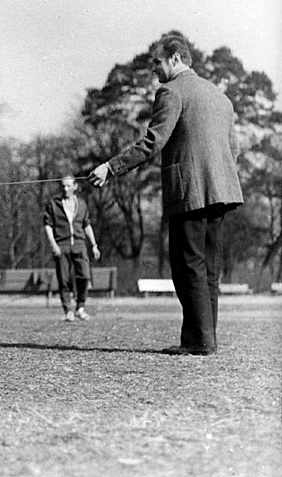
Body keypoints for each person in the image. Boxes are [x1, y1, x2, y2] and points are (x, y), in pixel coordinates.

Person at [89, 34, 243, 355]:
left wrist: (110, 167)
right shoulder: (220, 97)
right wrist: (217, 175)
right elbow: (235, 149)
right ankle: (206, 339)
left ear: (175, 58)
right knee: (208, 268)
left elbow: (152, 143)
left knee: (188, 267)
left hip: (190, 192)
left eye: (157, 63)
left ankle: (198, 341)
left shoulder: (171, 91)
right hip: (223, 191)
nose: (154, 72)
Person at [43, 176, 101, 322]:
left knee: (84, 276)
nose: (65, 189)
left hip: (80, 245)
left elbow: (87, 225)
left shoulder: (81, 204)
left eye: (69, 186)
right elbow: (48, 225)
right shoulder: (53, 204)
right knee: (64, 279)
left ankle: (80, 307)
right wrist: (53, 245)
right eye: (63, 186)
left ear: (75, 186)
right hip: (62, 245)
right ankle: (68, 310)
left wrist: (94, 245)